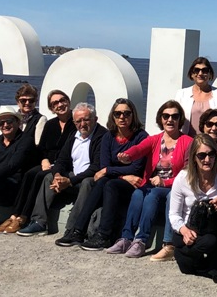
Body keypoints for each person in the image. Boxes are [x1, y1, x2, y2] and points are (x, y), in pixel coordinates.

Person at [81, 100, 192, 255]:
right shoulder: (155, 139)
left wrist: (165, 182)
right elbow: (139, 148)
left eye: (175, 116)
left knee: (151, 194)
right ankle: (126, 239)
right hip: (152, 184)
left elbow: (187, 174)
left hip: (172, 187)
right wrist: (127, 155)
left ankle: (141, 240)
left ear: (180, 119)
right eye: (166, 116)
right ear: (160, 119)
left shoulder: (188, 142)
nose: (170, 120)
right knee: (138, 193)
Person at [54, 98, 148, 248]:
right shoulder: (109, 136)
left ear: (133, 115)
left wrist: (109, 171)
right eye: (118, 114)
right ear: (113, 116)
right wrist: (121, 175)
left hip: (133, 183)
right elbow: (104, 165)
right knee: (102, 182)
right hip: (120, 179)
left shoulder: (141, 137)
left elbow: (136, 168)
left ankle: (104, 235)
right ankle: (77, 231)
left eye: (126, 113)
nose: (122, 117)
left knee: (109, 184)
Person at [10, 103, 105, 236]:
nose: (82, 124)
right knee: (48, 177)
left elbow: (96, 167)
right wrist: (58, 176)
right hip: (74, 177)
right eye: (78, 121)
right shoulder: (74, 136)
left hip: (90, 180)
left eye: (86, 120)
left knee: (87, 182)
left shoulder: (102, 136)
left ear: (95, 119)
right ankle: (39, 222)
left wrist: (70, 181)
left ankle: (73, 228)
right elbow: (61, 160)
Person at [6, 89, 75, 232]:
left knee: (39, 176)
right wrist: (44, 160)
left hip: (66, 165)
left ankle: (24, 217)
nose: (60, 105)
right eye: (55, 103)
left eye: (62, 100)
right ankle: (14, 215)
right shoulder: (51, 124)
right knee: (29, 174)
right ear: (51, 108)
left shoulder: (77, 122)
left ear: (68, 101)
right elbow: (42, 147)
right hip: (49, 163)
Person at [169, 134, 217, 280]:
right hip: (190, 228)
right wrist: (184, 231)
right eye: (202, 155)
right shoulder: (182, 178)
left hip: (211, 227)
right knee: (188, 266)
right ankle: (186, 255)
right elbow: (174, 214)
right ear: (194, 157)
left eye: (211, 154)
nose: (207, 159)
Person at [175, 56, 217, 138]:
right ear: (192, 74)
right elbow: (176, 119)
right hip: (188, 142)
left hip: (214, 143)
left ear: (210, 74)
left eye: (204, 70)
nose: (200, 73)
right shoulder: (181, 94)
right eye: (196, 70)